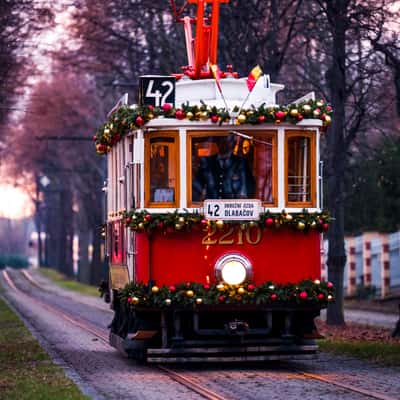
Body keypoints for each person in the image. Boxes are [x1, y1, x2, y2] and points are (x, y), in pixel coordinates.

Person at [192, 135, 255, 201]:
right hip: (212, 207)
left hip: (234, 208)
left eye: (228, 141)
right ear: (217, 143)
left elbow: (250, 187)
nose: (225, 144)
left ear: (233, 143)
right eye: (222, 141)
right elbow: (196, 186)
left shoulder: (241, 163)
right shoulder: (207, 162)